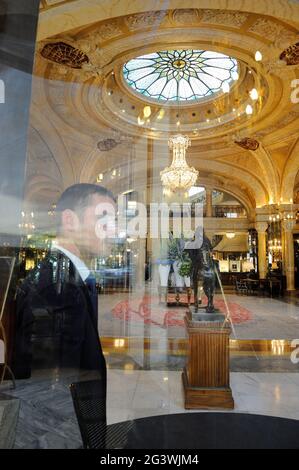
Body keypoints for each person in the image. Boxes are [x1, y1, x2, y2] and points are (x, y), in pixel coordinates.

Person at [12, 184, 116, 393]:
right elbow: (51, 388)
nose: (112, 230)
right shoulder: (58, 289)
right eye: (102, 219)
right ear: (69, 220)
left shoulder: (68, 278)